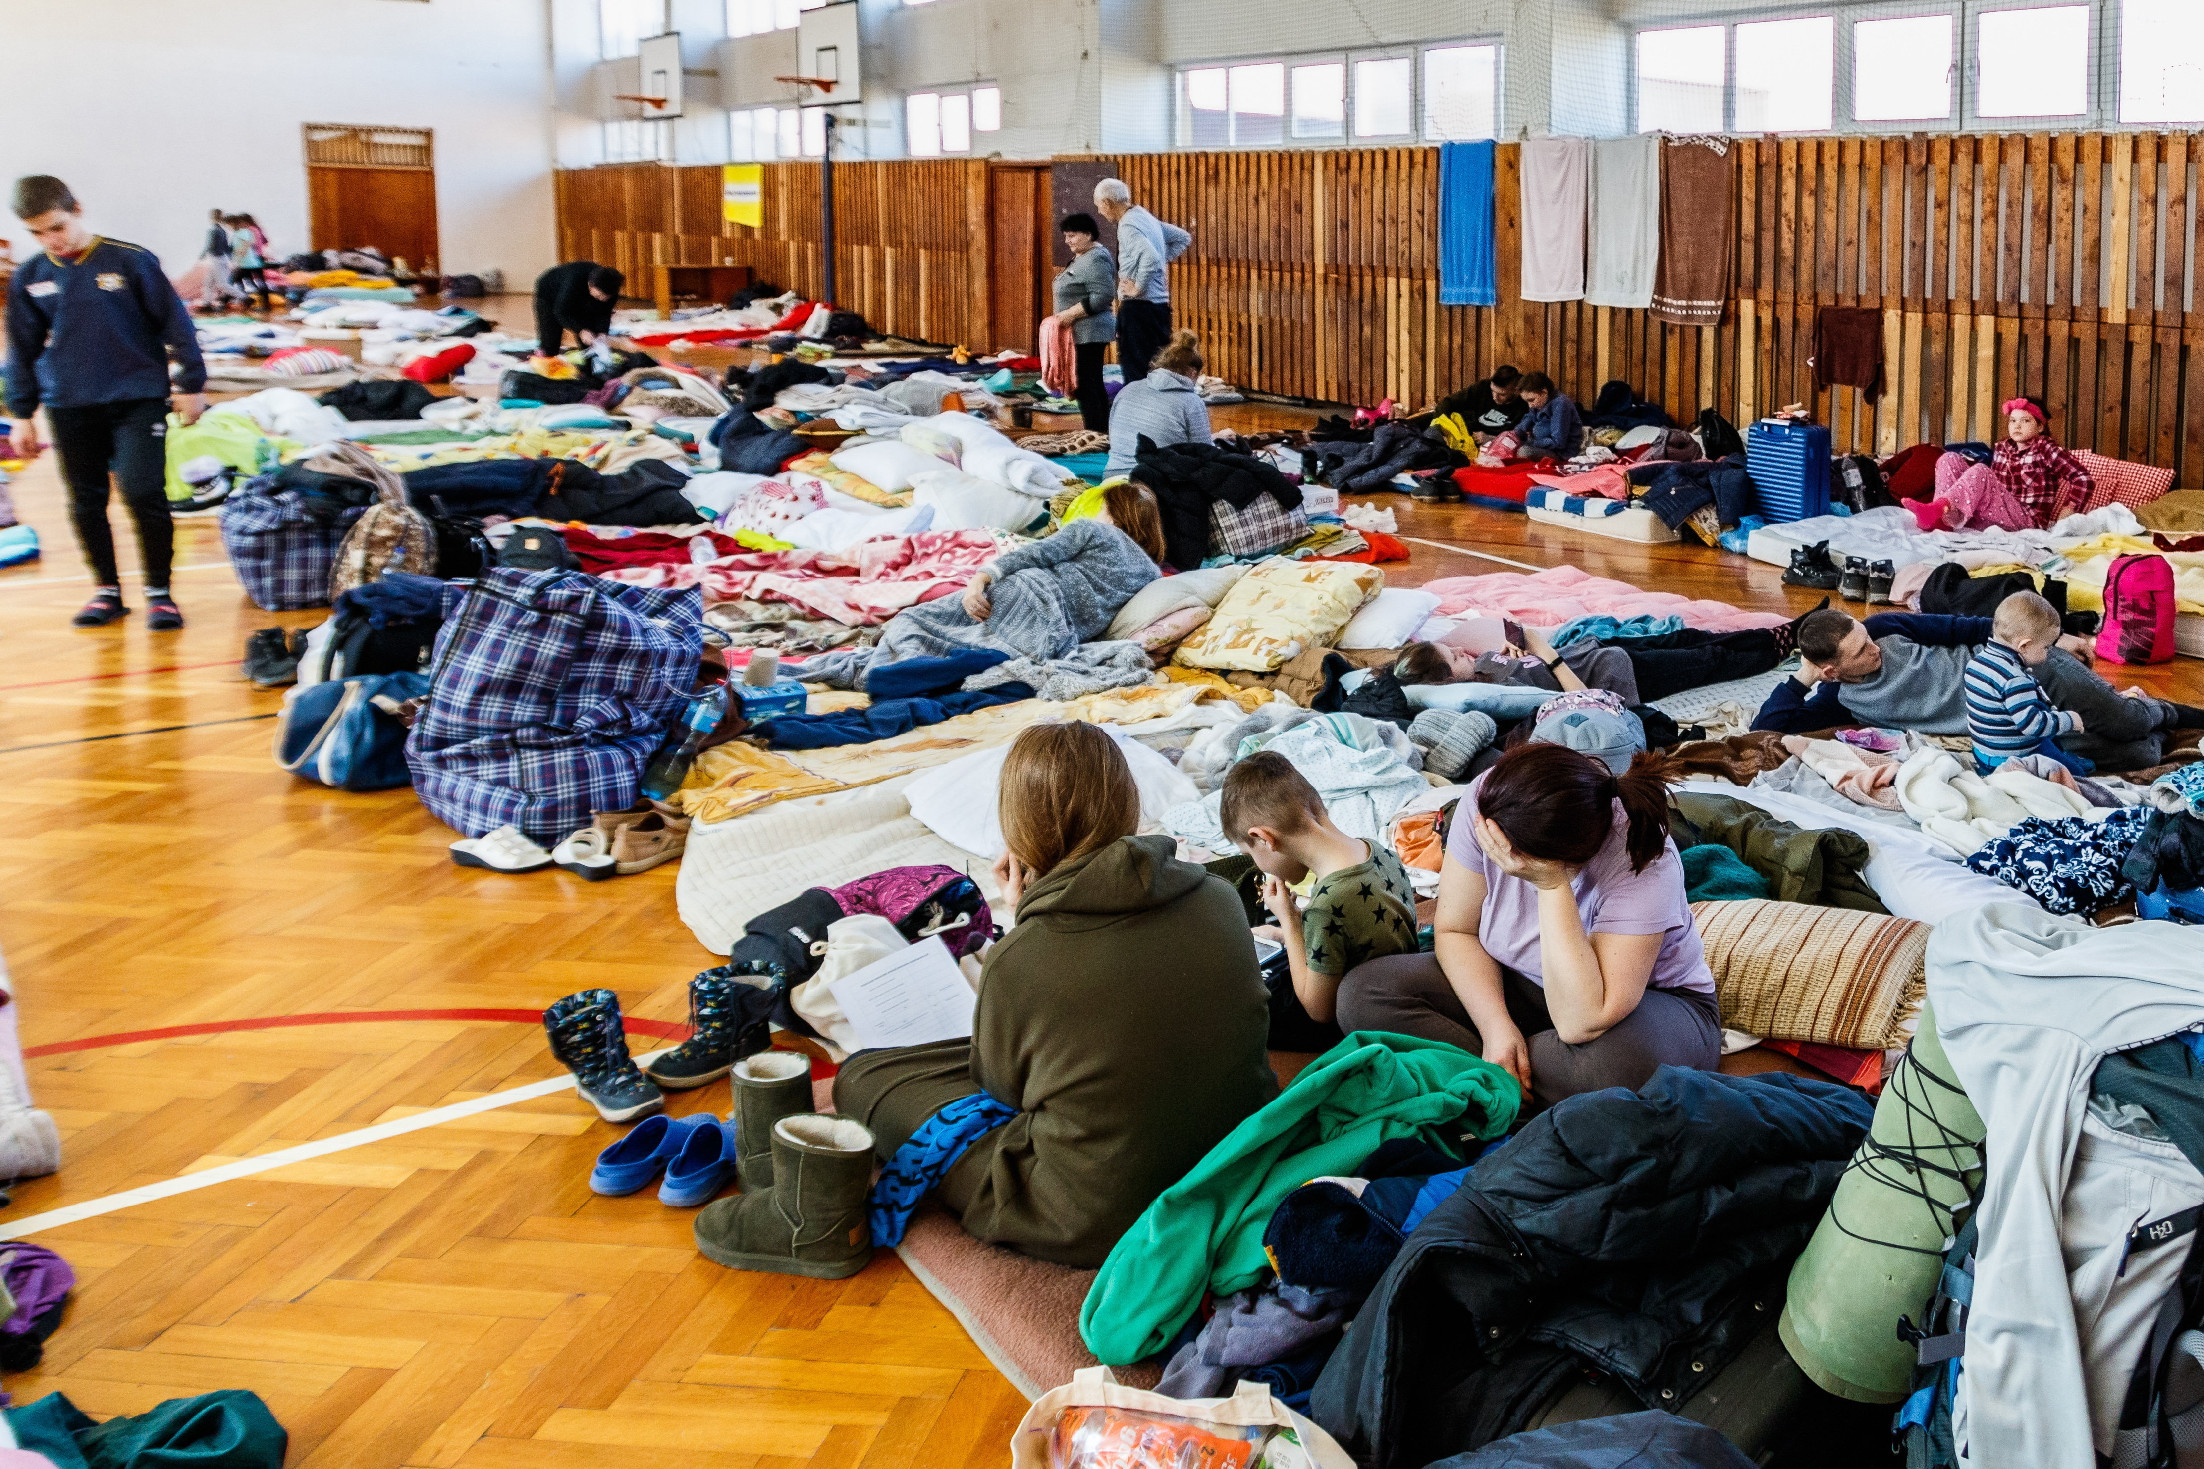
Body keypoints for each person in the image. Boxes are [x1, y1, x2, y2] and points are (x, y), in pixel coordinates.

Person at [832, 722, 1276, 1266]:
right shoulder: (1218, 896)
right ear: (1127, 801)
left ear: (1019, 827)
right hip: (1234, 1153)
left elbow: (1000, 1090)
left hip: (1089, 1213)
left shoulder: (1022, 957)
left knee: (860, 1078)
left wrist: (1023, 925)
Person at [1338, 743, 1719, 1111]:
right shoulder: (1491, 799)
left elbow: (1581, 1022)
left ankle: (1488, 1083)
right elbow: (1456, 930)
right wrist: (1496, 1028)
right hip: (1519, 983)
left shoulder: (1645, 859)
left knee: (1617, 1069)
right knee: (1364, 993)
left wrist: (1551, 886)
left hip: (1636, 1012)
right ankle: (1511, 1077)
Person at [5, 176, 205, 629]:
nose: (49, 240)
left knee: (141, 492)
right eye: (36, 233)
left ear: (77, 208)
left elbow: (176, 326)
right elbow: (21, 349)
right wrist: (21, 415)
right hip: (69, 403)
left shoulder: (130, 261)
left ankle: (159, 593)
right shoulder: (31, 277)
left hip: (137, 398)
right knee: (84, 501)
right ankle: (107, 591)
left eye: (56, 227)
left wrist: (191, 384)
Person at [803, 481, 1165, 688]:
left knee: (916, 623)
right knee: (965, 650)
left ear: (1114, 513)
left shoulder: (1094, 530)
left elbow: (1032, 555)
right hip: (1055, 636)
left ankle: (886, 671)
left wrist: (980, 578)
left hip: (1024, 593)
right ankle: (906, 673)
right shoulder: (1151, 574)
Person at [1754, 606, 2202, 768]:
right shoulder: (1840, 698)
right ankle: (2140, 715)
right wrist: (1802, 678)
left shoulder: (1887, 628)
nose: (1874, 648)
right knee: (2141, 753)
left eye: (1866, 637)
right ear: (1831, 670)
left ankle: (2161, 711)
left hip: (2032, 671)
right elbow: (1765, 730)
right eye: (1860, 651)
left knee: (2127, 722)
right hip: (2015, 725)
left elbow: (1967, 626)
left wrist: (2050, 639)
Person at [1224, 750, 1420, 1050]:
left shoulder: (1327, 904)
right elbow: (1353, 930)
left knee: (1250, 1004)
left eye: (1249, 854)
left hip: (1362, 1020)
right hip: (1402, 983)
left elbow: (1319, 1011)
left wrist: (1289, 921)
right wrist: (1284, 933)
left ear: (1264, 838)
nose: (1256, 864)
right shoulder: (1376, 849)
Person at [1965, 592, 2089, 775]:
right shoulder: (2015, 679)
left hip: (1982, 752)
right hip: (2012, 760)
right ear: (2024, 645)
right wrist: (2069, 720)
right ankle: (2071, 768)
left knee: (2048, 737)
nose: (2048, 652)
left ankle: (2062, 756)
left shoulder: (1977, 662)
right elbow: (2032, 726)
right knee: (2076, 775)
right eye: (2046, 647)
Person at [1093, 178, 1190, 385]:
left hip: (1139, 309)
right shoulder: (1144, 216)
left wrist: (1138, 287)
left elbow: (1151, 257)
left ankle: (1138, 414)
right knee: (1159, 369)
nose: (1100, 211)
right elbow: (1182, 237)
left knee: (1136, 373)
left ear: (1108, 203)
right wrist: (1160, 263)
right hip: (1158, 309)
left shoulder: (1127, 225)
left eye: (1099, 205)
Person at [1103, 330, 1212, 479]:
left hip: (1111, 477)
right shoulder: (1191, 401)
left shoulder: (1128, 389)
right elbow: (1205, 453)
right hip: (1158, 486)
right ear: (1193, 372)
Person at [1051, 212, 1116, 434]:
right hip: (1079, 333)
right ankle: (1096, 431)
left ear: (1088, 234)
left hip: (1090, 333)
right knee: (1087, 384)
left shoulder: (1096, 257)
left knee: (1088, 384)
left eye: (1072, 236)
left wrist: (1070, 314)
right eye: (1066, 236)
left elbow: (1104, 294)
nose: (1067, 241)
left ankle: (1097, 433)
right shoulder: (1082, 256)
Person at [1992, 396, 2094, 529]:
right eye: (2013, 420)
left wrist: (2071, 507)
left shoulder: (2043, 447)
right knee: (1954, 459)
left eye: (2025, 420)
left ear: (2040, 427)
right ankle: (1957, 518)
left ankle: (1956, 516)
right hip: (1998, 512)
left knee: (1980, 471)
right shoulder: (2001, 448)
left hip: (2028, 520)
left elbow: (2083, 479)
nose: (2017, 425)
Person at [532, 260, 624, 354]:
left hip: (577, 296)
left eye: (606, 298)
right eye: (599, 296)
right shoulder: (573, 282)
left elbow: (604, 313)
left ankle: (588, 362)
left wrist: (602, 332)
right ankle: (545, 354)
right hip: (548, 293)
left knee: (591, 338)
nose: (602, 300)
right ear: (590, 285)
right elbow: (561, 312)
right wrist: (580, 330)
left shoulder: (611, 292)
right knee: (551, 339)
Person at [1421, 364, 1527, 436]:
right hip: (1462, 428)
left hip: (1486, 441)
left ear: (1516, 391)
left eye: (1501, 394)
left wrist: (1490, 438)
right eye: (1492, 391)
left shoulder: (1525, 404)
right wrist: (1445, 427)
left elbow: (1516, 435)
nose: (1495, 397)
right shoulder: (1483, 386)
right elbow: (1448, 402)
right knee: (1421, 422)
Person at [1511, 372, 1583, 461]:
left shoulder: (1561, 404)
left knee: (1524, 452)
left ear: (1544, 392)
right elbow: (1525, 423)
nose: (1530, 406)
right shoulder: (1539, 403)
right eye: (1527, 402)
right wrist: (1514, 435)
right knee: (1506, 443)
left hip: (1560, 453)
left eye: (1531, 400)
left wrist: (1532, 442)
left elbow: (1558, 443)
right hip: (1538, 444)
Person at [226, 214, 269, 314]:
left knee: (238, 281)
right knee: (248, 281)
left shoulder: (246, 231)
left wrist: (238, 257)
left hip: (249, 262)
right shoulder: (252, 230)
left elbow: (247, 245)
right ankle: (249, 301)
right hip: (252, 260)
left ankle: (251, 301)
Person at [196, 207, 232, 311]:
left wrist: (202, 256)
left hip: (216, 259)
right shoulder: (223, 231)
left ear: (212, 217)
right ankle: (207, 304)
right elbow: (226, 247)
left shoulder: (212, 230)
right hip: (221, 258)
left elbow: (209, 245)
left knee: (221, 284)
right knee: (209, 283)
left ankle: (244, 298)